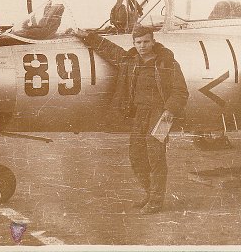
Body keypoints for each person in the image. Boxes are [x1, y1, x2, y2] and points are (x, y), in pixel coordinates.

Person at [74, 24, 189, 214]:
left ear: (153, 41)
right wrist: (87, 36)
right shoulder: (131, 61)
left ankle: (156, 202)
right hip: (140, 114)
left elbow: (180, 92)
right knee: (136, 156)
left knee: (156, 157)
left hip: (162, 115)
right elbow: (110, 50)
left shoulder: (167, 63)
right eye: (138, 42)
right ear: (134, 43)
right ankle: (149, 193)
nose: (142, 46)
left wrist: (169, 111)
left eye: (146, 42)